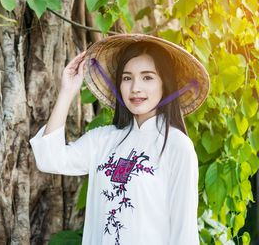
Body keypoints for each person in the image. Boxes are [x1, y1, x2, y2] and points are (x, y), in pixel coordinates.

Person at [29, 34, 210, 245]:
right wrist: (67, 92)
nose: (135, 88)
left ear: (165, 84)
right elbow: (50, 159)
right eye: (127, 78)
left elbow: (184, 234)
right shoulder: (103, 140)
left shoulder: (177, 146)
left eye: (147, 77)